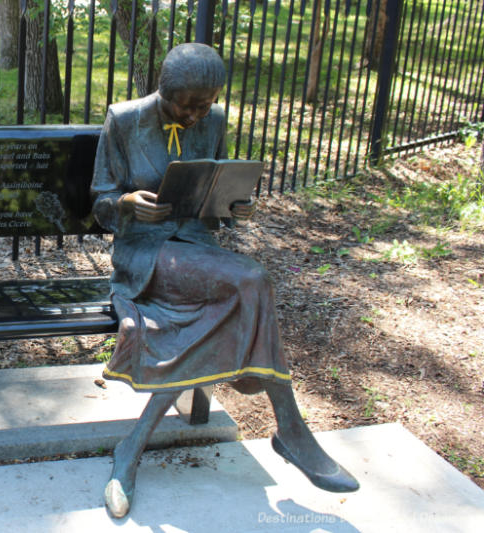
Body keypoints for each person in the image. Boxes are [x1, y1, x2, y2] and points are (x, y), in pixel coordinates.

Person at [90, 43, 359, 519]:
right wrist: (128, 203)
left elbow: (213, 191)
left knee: (230, 303)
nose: (196, 114)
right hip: (147, 256)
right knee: (251, 282)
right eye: (187, 104)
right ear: (163, 92)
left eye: (206, 103)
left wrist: (234, 207)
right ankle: (291, 431)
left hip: (198, 251)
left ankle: (131, 450)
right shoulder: (123, 120)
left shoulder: (213, 123)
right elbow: (100, 205)